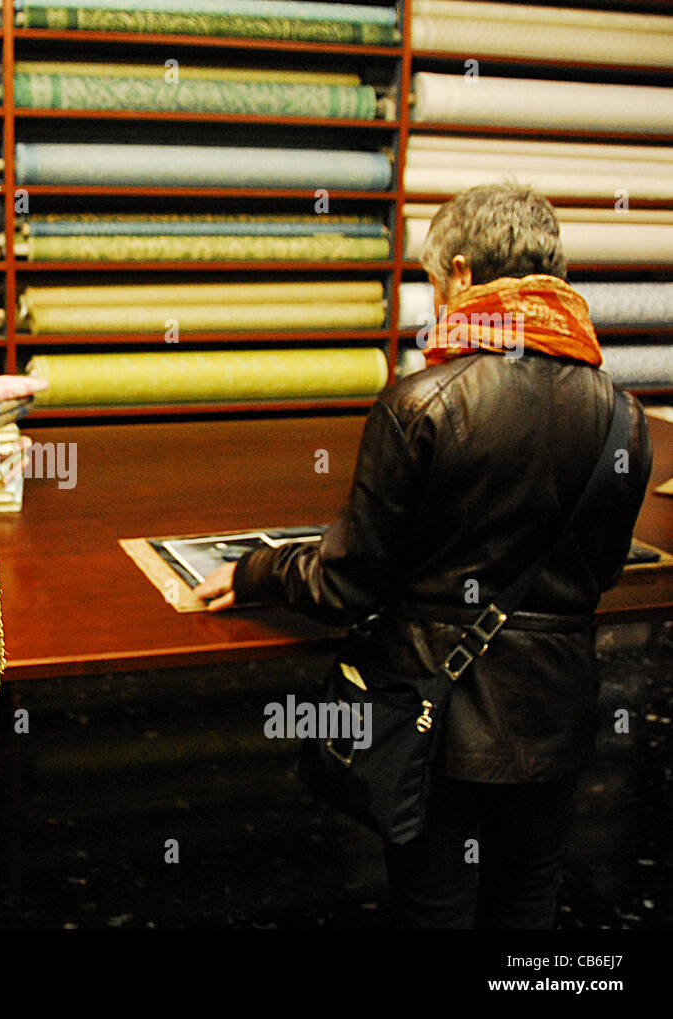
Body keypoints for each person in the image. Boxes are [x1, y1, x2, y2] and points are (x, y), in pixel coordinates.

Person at [195, 183, 653, 929]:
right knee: (530, 896)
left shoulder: (423, 402)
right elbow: (599, 572)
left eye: (436, 281)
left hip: (438, 715)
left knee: (436, 905)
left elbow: (347, 582)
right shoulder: (624, 416)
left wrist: (257, 570)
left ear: (465, 274)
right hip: (558, 711)